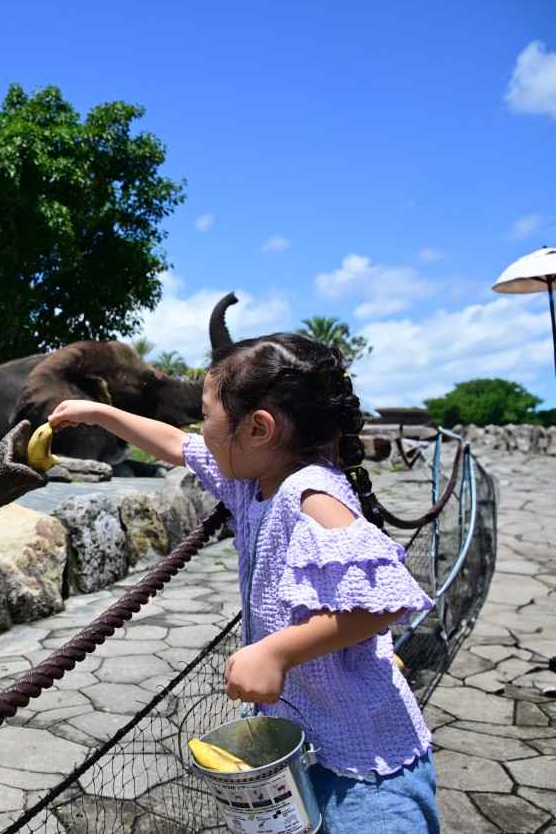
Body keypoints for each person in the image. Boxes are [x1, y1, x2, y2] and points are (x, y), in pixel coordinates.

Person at [48, 332, 439, 833]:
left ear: (258, 429)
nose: (199, 428)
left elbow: (382, 600)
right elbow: (177, 445)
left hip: (363, 763)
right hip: (306, 743)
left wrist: (277, 652)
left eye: (207, 415)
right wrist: (101, 414)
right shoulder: (254, 479)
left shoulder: (310, 496)